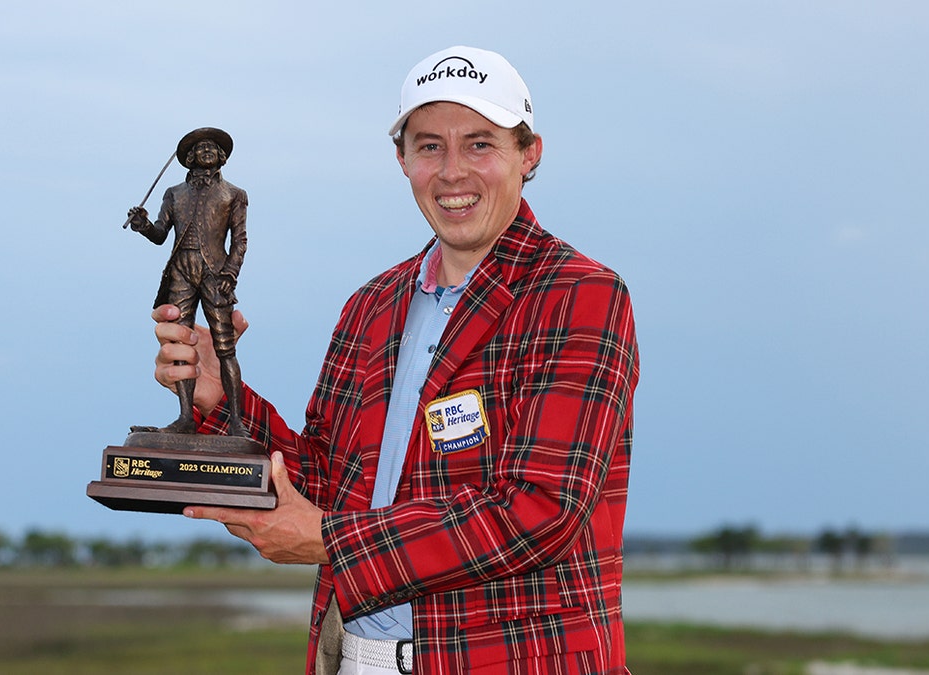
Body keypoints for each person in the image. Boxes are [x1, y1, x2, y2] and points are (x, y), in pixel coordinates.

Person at [152, 46, 639, 674]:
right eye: (429, 146)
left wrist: (330, 541)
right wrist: (222, 401)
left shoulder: (580, 294)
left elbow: (542, 508)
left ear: (529, 153)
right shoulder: (372, 306)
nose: (453, 171)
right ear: (402, 159)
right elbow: (327, 481)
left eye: (481, 144)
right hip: (359, 656)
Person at [128, 127, 250, 437]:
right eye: (200, 148)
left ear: (221, 157)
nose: (207, 151)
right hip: (181, 269)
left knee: (225, 348)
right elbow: (159, 234)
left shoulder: (234, 194)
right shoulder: (174, 194)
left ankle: (236, 421)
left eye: (212, 148)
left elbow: (240, 241)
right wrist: (143, 226)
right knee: (180, 343)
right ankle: (185, 417)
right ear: (189, 158)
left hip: (216, 274)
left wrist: (230, 274)